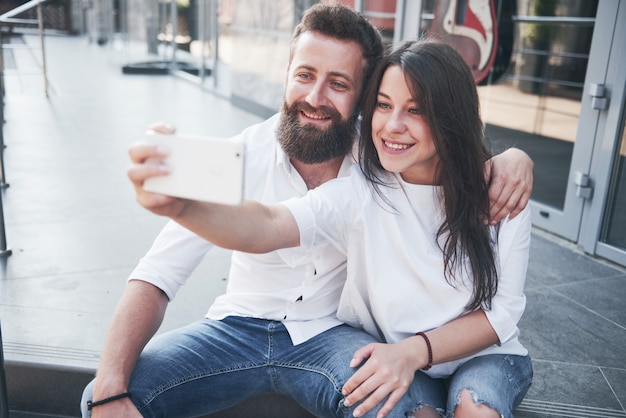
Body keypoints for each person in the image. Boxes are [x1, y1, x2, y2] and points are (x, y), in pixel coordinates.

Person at [82, 3, 533, 418]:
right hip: (236, 327)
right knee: (108, 396)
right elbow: (246, 232)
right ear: (286, 76)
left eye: (338, 83)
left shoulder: (379, 164)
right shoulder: (246, 154)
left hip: (328, 335)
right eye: (304, 75)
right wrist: (183, 205)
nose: (316, 97)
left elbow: (444, 150)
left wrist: (514, 158)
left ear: (360, 97)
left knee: (383, 404)